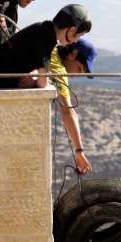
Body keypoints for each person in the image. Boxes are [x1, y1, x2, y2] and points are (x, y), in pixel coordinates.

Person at [0, 4, 92, 90]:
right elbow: (42, 83)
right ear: (72, 30)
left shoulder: (44, 30)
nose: (76, 40)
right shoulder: (46, 37)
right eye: (79, 35)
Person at [50, 39, 98, 175]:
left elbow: (71, 112)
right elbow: (67, 111)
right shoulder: (58, 69)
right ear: (72, 54)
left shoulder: (51, 50)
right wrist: (79, 151)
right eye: (79, 68)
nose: (77, 75)